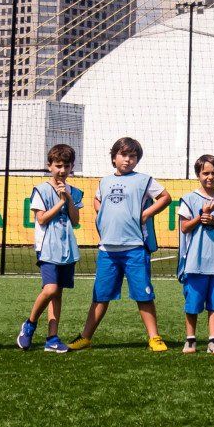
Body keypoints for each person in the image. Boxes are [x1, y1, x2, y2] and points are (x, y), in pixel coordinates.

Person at [73, 137, 171, 352]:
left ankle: (154, 337)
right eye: (123, 155)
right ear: (114, 157)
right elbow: (97, 200)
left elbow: (165, 197)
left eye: (133, 156)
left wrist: (145, 214)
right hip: (107, 249)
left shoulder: (144, 180)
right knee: (100, 295)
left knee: (143, 295)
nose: (128, 160)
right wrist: (101, 213)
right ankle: (85, 337)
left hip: (135, 247)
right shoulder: (104, 181)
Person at [17, 143, 82, 354]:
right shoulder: (41, 190)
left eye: (66, 166)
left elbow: (75, 220)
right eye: (58, 165)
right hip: (47, 247)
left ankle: (52, 337)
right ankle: (29, 324)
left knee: (58, 293)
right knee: (50, 289)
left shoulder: (74, 191)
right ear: (50, 166)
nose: (62, 171)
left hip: (67, 248)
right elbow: (42, 219)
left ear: (72, 167)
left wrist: (69, 198)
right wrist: (60, 201)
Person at [177, 154, 214, 354]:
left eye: (213, 173)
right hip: (195, 262)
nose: (210, 177)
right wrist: (201, 216)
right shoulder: (189, 199)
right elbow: (185, 227)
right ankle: (190, 339)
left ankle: (213, 341)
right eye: (205, 173)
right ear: (198, 175)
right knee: (192, 303)